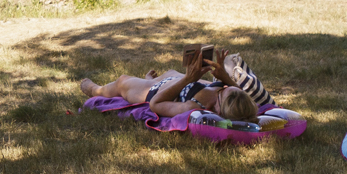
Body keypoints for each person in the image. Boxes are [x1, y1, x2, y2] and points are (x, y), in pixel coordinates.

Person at [78, 70, 260, 122]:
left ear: (218, 109)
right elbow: (239, 94)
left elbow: (155, 105)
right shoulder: (232, 101)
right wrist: (223, 77)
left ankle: (95, 89)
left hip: (154, 90)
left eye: (223, 90)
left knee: (122, 81)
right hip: (175, 79)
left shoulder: (193, 107)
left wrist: (188, 78)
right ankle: (145, 78)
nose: (222, 87)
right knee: (169, 73)